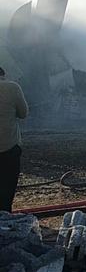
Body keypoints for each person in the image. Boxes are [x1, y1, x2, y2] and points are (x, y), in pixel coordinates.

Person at [0, 66, 29, 212]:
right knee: (7, 188)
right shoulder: (12, 87)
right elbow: (23, 113)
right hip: (8, 146)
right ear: (2, 75)